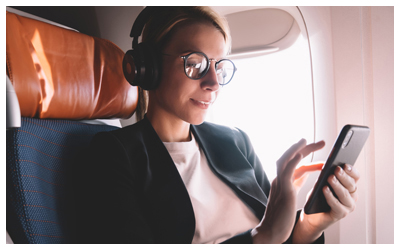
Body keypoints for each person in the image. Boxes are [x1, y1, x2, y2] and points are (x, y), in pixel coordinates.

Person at [73, 6, 360, 244]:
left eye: (219, 67)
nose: (212, 83)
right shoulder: (115, 154)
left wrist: (309, 225)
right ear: (150, 68)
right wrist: (263, 236)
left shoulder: (234, 141)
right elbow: (267, 234)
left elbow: (276, 234)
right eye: (194, 64)